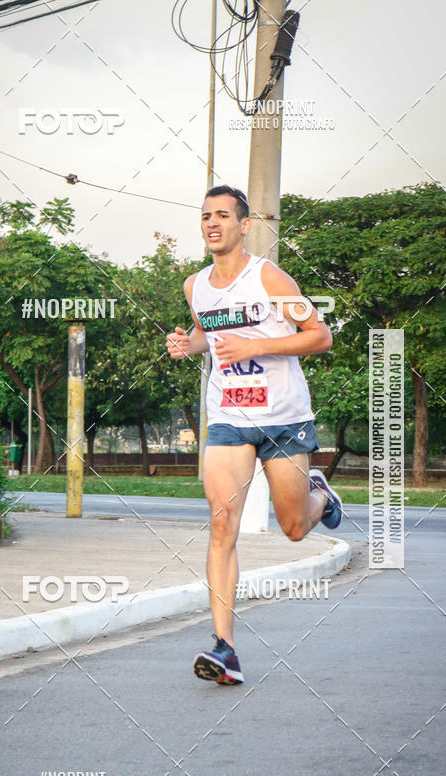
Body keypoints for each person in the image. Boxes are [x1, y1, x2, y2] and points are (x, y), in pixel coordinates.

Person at [166, 185, 342, 686]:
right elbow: (208, 335)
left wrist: (254, 347)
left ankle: (320, 496)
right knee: (222, 522)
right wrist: (188, 344)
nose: (212, 223)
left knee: (294, 527)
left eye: (223, 215)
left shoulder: (267, 277)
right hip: (228, 415)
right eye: (206, 216)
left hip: (283, 417)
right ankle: (225, 649)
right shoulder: (195, 286)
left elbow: (320, 336)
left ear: (244, 225)